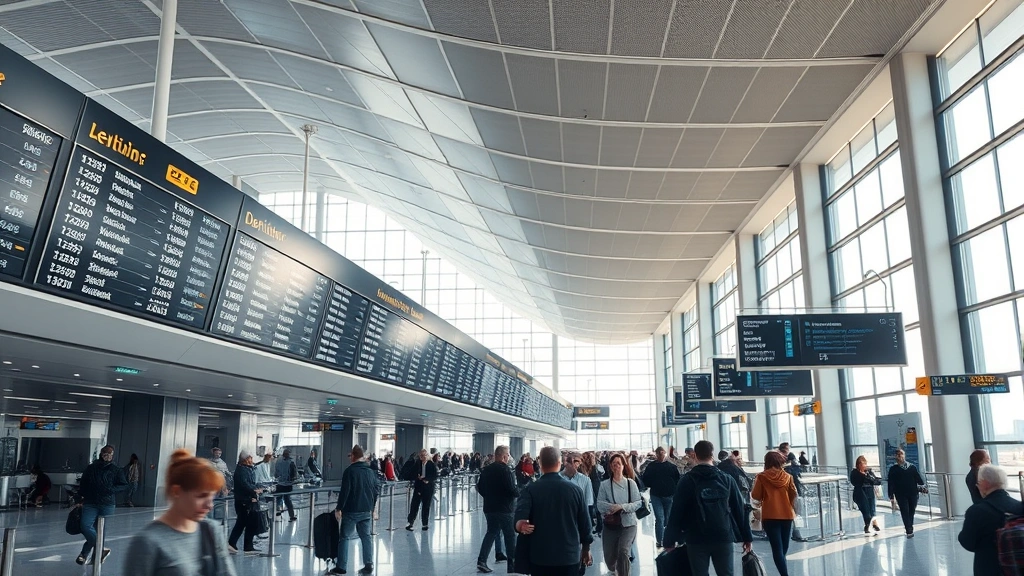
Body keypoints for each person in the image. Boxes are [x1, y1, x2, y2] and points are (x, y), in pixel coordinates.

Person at [123, 449, 237, 576]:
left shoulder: (211, 531)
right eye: (201, 496)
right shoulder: (148, 542)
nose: (209, 505)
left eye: (212, 496)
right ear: (177, 492)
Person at [664, 440, 753, 576]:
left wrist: (669, 540)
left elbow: (676, 511)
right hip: (723, 536)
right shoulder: (727, 479)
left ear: (694, 455)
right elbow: (740, 509)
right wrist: (747, 537)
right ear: (712, 455)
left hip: (696, 537)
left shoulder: (686, 480)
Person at [514, 446, 593, 576]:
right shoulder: (575, 490)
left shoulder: (530, 490)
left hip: (540, 556)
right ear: (559, 463)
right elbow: (585, 524)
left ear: (540, 464)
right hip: (569, 556)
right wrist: (586, 549)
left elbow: (519, 519)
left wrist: (520, 525)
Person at [958, 464, 1024, 575]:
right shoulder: (1020, 506)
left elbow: (967, 543)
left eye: (978, 483)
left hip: (989, 568)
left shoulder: (976, 511)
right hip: (1016, 568)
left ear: (985, 484)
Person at [332, 445, 381, 575]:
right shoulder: (370, 472)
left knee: (344, 537)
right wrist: (373, 507)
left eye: (350, 456)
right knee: (366, 537)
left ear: (353, 456)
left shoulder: (349, 471)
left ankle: (341, 567)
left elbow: (345, 492)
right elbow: (376, 490)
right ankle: (368, 564)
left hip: (351, 510)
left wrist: (339, 508)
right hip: (366, 510)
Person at [76, 444, 128, 565]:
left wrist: (111, 489)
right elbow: (83, 483)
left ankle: (87, 555)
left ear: (113, 455)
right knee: (86, 526)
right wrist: (81, 497)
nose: (108, 456)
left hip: (106, 503)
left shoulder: (116, 470)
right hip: (90, 502)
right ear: (101, 454)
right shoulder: (91, 468)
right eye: (105, 454)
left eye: (110, 454)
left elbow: (124, 484)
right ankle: (100, 549)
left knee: (99, 529)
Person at [751, 452, 797, 576]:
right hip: (787, 515)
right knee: (784, 548)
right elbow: (793, 494)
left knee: (777, 549)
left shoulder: (761, 477)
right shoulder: (788, 477)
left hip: (770, 516)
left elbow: (756, 495)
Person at [596, 452, 642, 576]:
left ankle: (624, 573)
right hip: (611, 525)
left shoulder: (630, 483)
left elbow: (638, 503)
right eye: (614, 464)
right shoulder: (604, 485)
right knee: (609, 558)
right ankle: (615, 568)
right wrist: (612, 508)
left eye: (619, 464)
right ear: (610, 466)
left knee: (623, 551)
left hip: (629, 524)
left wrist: (622, 507)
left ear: (623, 466)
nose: (616, 466)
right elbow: (600, 504)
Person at [476, 445, 519, 573]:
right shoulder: (506, 470)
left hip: (489, 508)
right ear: (504, 456)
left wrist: (489, 497)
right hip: (505, 508)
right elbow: (512, 489)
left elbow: (480, 488)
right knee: (510, 535)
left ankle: (482, 560)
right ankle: (512, 565)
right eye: (508, 455)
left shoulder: (486, 470)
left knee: (491, 532)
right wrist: (518, 493)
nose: (508, 457)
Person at [641, 446, 679, 548]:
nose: (661, 455)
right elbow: (646, 479)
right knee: (660, 518)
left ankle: (666, 538)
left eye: (662, 453)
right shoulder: (652, 467)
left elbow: (677, 479)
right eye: (659, 454)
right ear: (656, 455)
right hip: (656, 495)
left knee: (667, 518)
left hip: (668, 495)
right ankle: (660, 540)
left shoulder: (671, 467)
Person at [227, 450, 263, 554]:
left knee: (242, 523)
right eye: (250, 458)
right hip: (244, 500)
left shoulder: (247, 469)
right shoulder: (241, 470)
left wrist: (256, 488)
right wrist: (254, 490)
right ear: (245, 459)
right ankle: (244, 545)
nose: (252, 460)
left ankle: (236, 543)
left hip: (247, 499)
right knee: (244, 522)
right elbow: (244, 484)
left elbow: (250, 483)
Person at [887, 448, 926, 538]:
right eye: (898, 455)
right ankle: (908, 529)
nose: (900, 456)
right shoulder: (893, 469)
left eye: (901, 454)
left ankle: (909, 525)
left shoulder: (911, 467)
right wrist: (891, 495)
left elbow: (918, 478)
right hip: (900, 494)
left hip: (913, 493)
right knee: (905, 510)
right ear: (895, 456)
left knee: (912, 510)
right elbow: (891, 483)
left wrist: (923, 486)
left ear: (904, 455)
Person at [849, 455, 882, 534]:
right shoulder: (854, 473)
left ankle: (874, 524)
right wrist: (862, 476)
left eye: (864, 464)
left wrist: (867, 476)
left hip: (869, 491)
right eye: (861, 464)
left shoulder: (868, 472)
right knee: (865, 509)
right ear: (858, 465)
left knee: (872, 508)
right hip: (860, 492)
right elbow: (854, 482)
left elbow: (875, 481)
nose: (863, 466)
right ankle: (868, 524)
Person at [406, 449, 438, 531]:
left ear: (427, 456)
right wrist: (417, 477)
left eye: (424, 456)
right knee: (414, 505)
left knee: (426, 506)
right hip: (419, 486)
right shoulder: (417, 463)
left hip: (428, 487)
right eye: (421, 456)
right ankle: (410, 522)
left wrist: (427, 479)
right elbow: (412, 473)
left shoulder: (431, 464)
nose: (422, 457)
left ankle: (425, 523)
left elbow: (434, 475)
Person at [274, 449, 298, 522]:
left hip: (279, 484)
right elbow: (294, 474)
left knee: (279, 499)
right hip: (287, 484)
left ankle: (278, 513)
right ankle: (292, 516)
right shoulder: (291, 462)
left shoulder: (278, 461)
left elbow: (276, 474)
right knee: (287, 500)